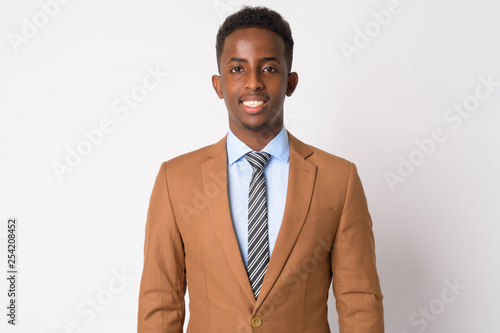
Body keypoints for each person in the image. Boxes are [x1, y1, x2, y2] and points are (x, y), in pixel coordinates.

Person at [137, 6, 384, 333]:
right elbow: (160, 299)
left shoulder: (339, 179)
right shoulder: (175, 180)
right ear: (218, 85)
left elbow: (360, 301)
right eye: (237, 68)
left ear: (290, 82)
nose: (253, 83)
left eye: (269, 68)